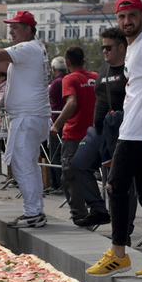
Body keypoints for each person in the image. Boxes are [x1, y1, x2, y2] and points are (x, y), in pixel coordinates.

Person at [87, 0, 142, 279]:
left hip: (140, 131)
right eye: (122, 17)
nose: (127, 21)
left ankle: (118, 253)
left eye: (132, 15)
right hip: (137, 130)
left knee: (115, 187)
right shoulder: (135, 46)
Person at [0, 11, 52, 228]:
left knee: (21, 164)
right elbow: (2, 66)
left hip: (28, 117)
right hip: (31, 116)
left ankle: (33, 212)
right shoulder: (31, 51)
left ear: (28, 29)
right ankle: (35, 210)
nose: (11, 31)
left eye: (15, 27)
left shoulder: (27, 48)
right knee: (28, 165)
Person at [68, 28, 130, 228]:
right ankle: (98, 209)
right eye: (102, 47)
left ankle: (124, 230)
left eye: (108, 47)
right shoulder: (103, 69)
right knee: (78, 164)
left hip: (122, 131)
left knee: (122, 182)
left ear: (121, 47)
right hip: (98, 131)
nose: (104, 51)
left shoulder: (130, 68)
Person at [50, 46, 97, 222]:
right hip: (94, 134)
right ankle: (96, 209)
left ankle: (79, 215)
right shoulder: (95, 77)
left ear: (67, 62)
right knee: (89, 173)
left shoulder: (69, 79)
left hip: (74, 134)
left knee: (69, 175)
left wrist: (56, 125)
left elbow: (71, 103)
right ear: (84, 61)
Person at [46, 56, 68, 193]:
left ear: (53, 69)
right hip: (67, 121)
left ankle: (56, 185)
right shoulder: (68, 79)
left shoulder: (56, 83)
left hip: (56, 122)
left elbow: (47, 99)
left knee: (54, 155)